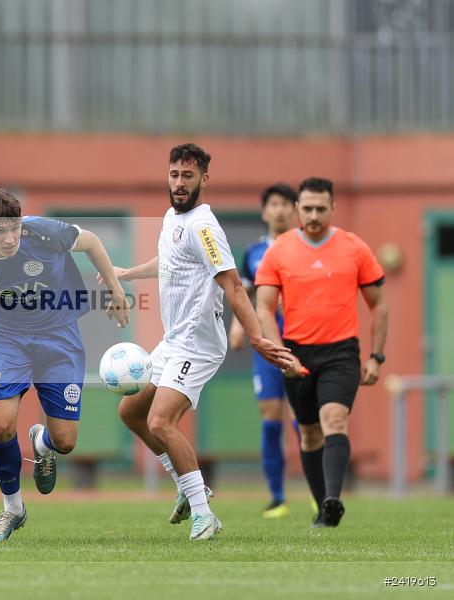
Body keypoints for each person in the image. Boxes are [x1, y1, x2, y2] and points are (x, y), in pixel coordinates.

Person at [106, 143, 291, 541]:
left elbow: (233, 285)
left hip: (198, 345)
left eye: (188, 176)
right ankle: (189, 487)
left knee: (160, 421)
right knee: (131, 411)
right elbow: (169, 261)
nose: (179, 182)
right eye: (174, 174)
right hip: (174, 340)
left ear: (204, 179)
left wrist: (256, 337)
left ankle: (205, 515)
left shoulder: (204, 226)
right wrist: (126, 273)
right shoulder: (172, 217)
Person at [0, 187, 130, 542]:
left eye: (14, 228)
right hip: (5, 339)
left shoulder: (44, 232)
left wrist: (116, 289)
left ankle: (43, 444)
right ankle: (12, 509)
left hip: (58, 335)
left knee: (66, 441)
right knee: (0, 425)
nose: (10, 238)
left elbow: (92, 242)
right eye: (0, 231)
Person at [256, 177, 388, 528]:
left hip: (341, 352)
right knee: (310, 432)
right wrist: (282, 355)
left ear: (333, 208)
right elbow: (264, 307)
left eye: (320, 209)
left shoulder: (354, 247)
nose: (314, 215)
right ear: (297, 209)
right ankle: (324, 511)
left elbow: (379, 304)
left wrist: (376, 356)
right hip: (297, 352)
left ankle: (332, 498)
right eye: (308, 208)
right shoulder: (279, 250)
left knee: (334, 420)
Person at [227, 183, 298, 518]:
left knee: (305, 419)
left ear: (294, 209)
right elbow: (243, 292)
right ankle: (277, 497)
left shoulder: (304, 246)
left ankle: (320, 493)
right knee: (271, 417)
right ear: (265, 211)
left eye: (286, 204)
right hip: (268, 343)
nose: (280, 210)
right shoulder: (254, 251)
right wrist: (238, 326)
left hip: (301, 338)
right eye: (274, 204)